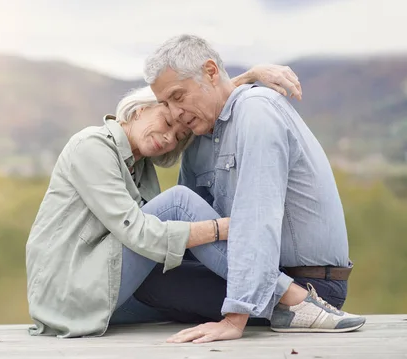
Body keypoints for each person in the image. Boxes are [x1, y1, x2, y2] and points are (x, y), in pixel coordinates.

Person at [26, 65, 301, 338]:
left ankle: (287, 310)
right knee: (178, 204)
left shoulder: (140, 166)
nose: (169, 138)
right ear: (140, 109)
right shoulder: (92, 147)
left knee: (199, 297)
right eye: (168, 123)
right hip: (70, 292)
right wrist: (226, 227)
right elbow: (138, 233)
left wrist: (248, 77)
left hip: (107, 297)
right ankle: (296, 297)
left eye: (179, 137)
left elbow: (200, 102)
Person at [141, 34, 365, 344]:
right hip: (237, 271)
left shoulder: (257, 111)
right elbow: (190, 235)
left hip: (310, 283)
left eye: (178, 96)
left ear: (210, 72)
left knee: (151, 285)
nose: (175, 112)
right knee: (149, 278)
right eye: (165, 103)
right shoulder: (198, 142)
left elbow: (258, 216)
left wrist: (235, 319)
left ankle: (297, 305)